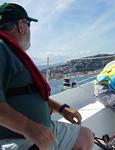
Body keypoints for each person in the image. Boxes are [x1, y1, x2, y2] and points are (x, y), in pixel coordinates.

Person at [0, 3, 94, 150]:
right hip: (18, 138)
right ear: (21, 25)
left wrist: (61, 108)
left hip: (40, 130)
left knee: (84, 137)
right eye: (28, 24)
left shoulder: (12, 53)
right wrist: (28, 127)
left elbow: (28, 92)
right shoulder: (2, 49)